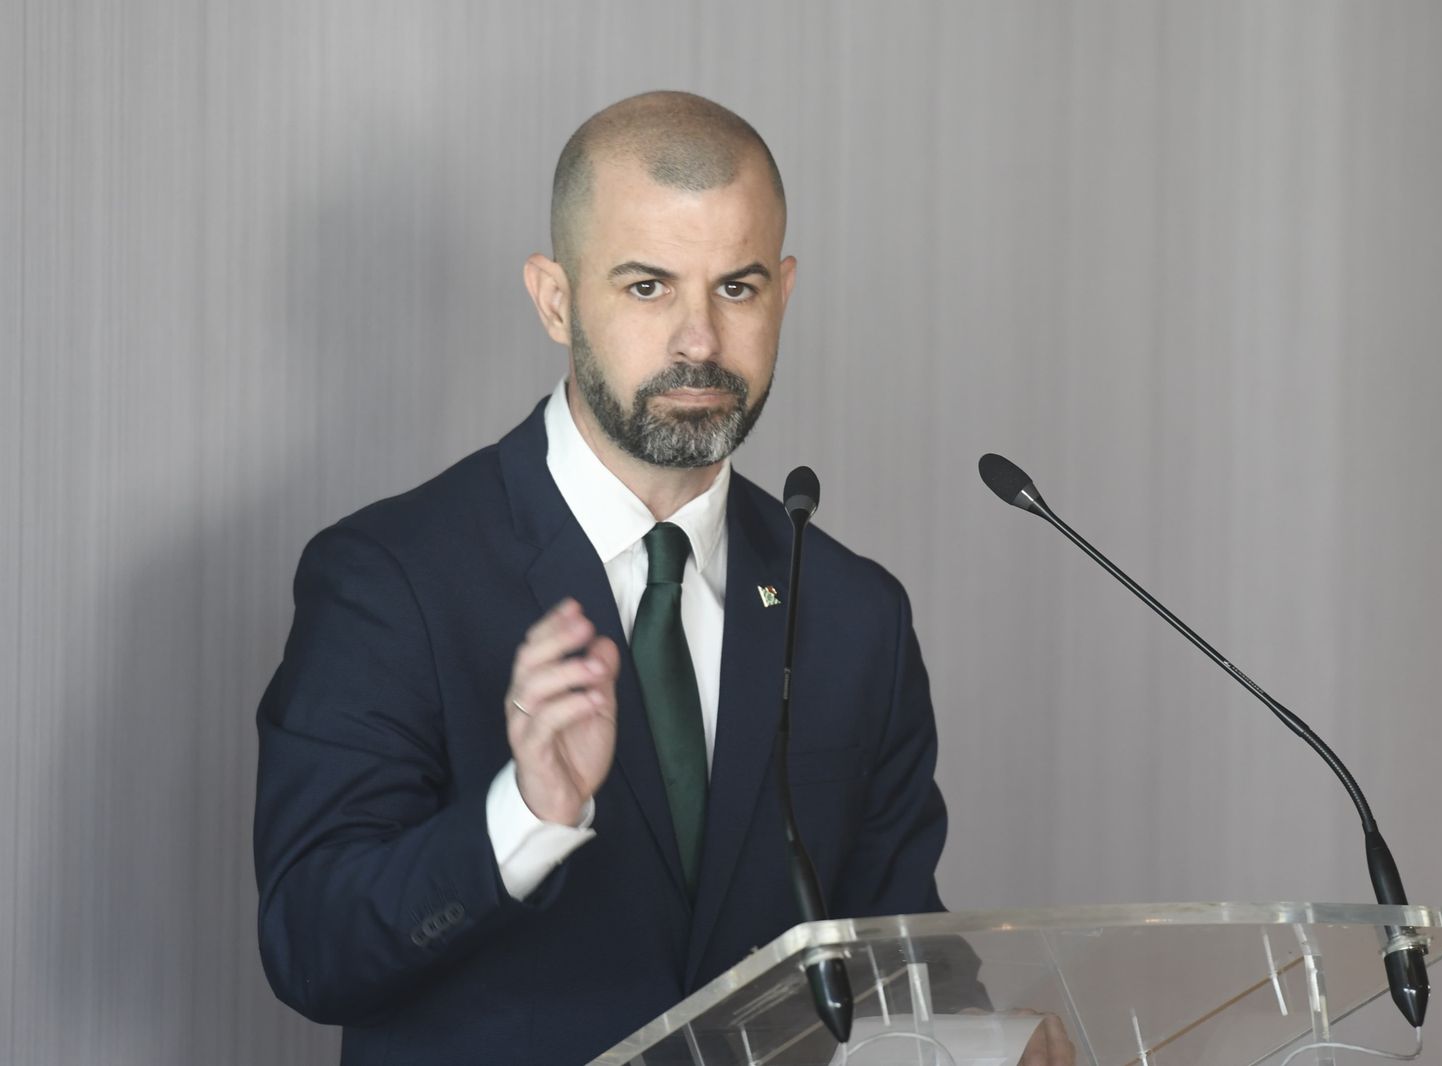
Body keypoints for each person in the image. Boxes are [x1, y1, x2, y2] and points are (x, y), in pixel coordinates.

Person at [253, 91, 960, 1065]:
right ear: (554, 298)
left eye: (738, 288)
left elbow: (901, 956)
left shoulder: (852, 614)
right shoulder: (391, 579)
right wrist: (526, 816)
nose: (700, 339)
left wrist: (985, 1034)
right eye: (646, 287)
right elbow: (311, 947)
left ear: (784, 291)